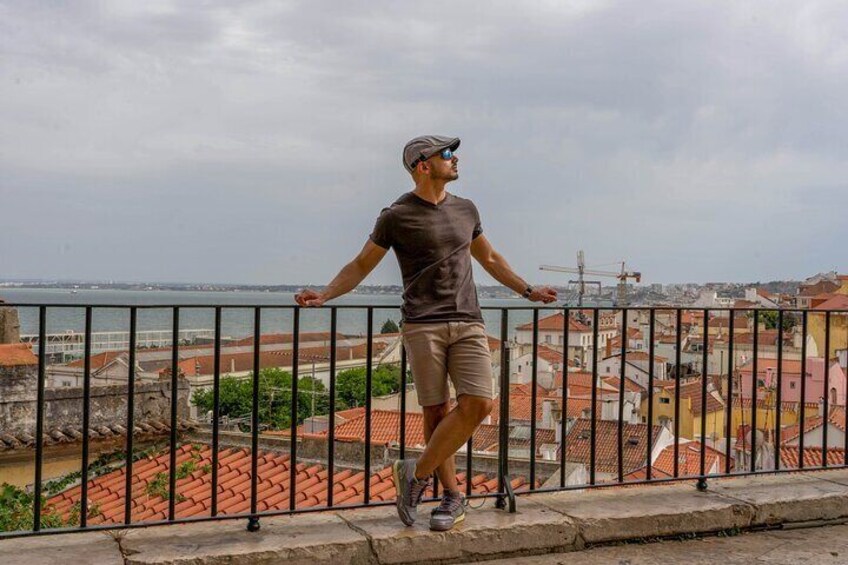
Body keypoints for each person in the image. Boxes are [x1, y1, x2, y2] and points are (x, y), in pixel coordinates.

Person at [295, 135, 557, 531]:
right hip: (422, 324)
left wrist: (528, 290)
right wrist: (326, 293)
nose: (455, 159)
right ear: (422, 165)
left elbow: (489, 257)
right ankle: (451, 496)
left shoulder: (466, 209)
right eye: (447, 154)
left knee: (479, 404)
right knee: (435, 411)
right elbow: (362, 264)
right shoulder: (396, 216)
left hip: (468, 321)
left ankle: (415, 475)